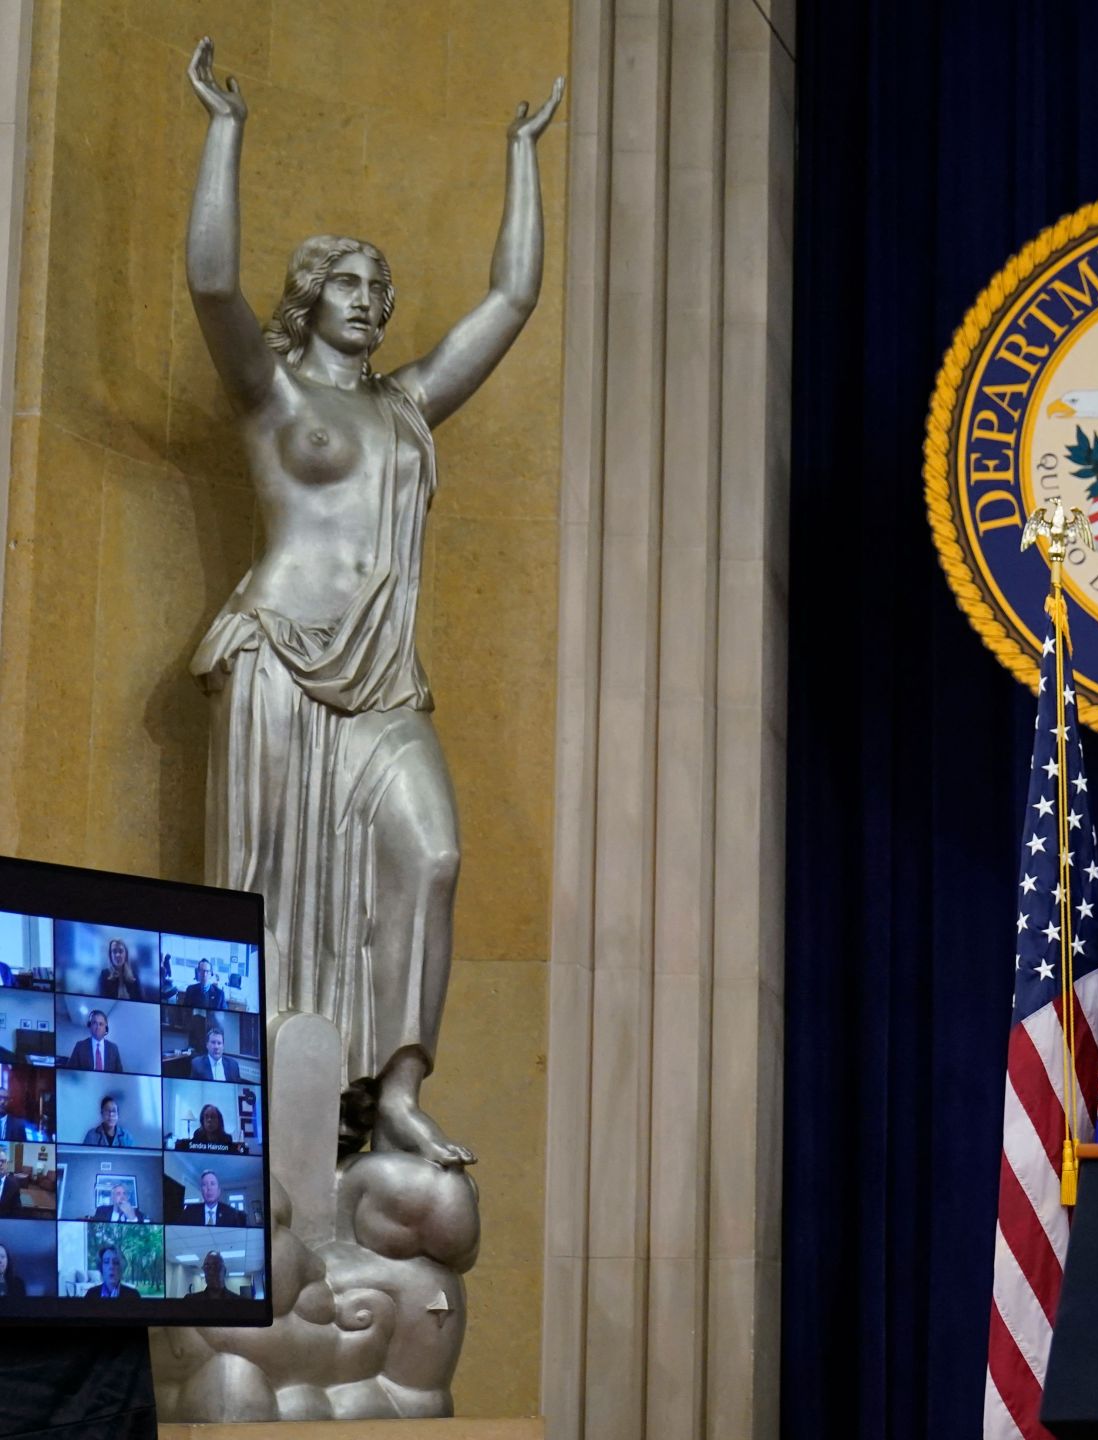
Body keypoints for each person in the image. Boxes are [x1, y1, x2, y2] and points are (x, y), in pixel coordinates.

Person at [182, 38, 559, 1171]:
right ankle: (263, 1105)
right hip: (277, 668)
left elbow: (512, 295)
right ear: (310, 296)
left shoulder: (406, 409)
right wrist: (225, 131)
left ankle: (394, 1089)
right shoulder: (272, 391)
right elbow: (209, 282)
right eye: (349, 283)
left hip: (383, 683)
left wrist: (521, 159)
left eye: (380, 288)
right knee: (261, 892)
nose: (370, 300)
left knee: (433, 857)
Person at [184, 1169, 248, 1229]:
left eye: (212, 1184)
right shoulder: (189, 1211)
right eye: (204, 1184)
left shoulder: (232, 1214)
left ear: (218, 1191)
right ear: (202, 1191)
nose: (209, 1188)